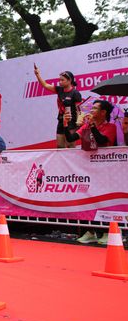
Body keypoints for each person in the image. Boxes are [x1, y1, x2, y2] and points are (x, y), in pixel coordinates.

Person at [64, 100, 116, 245]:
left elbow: (101, 141)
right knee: (87, 199)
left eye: (95, 108)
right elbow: (71, 138)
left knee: (105, 201)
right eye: (92, 107)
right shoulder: (87, 125)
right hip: (88, 169)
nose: (91, 110)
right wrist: (66, 124)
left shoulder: (110, 127)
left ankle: (107, 232)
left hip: (105, 170)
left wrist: (92, 127)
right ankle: (90, 232)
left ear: (103, 112)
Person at [33, 65, 82, 148]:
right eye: (59, 80)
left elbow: (79, 110)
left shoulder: (75, 93)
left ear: (69, 80)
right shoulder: (59, 89)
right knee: (60, 146)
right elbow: (45, 85)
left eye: (62, 80)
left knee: (70, 145)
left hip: (71, 122)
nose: (60, 82)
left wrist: (79, 123)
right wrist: (37, 74)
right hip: (61, 120)